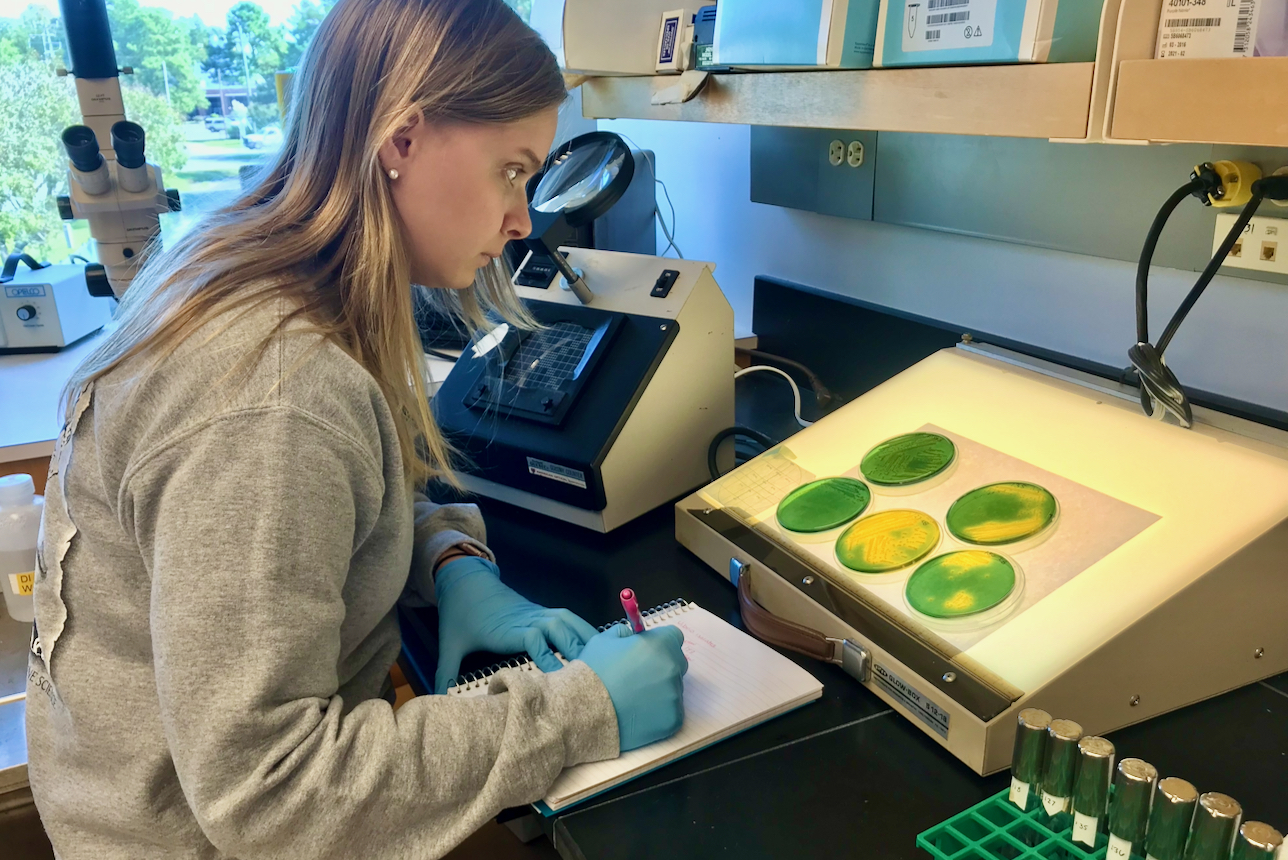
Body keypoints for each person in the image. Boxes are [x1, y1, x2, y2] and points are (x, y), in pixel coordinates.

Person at [25, 0, 689, 856]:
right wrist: (577, 713)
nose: (523, 220)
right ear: (402, 141)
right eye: (512, 171)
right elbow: (272, 792)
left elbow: (316, 501)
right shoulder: (270, 393)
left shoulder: (240, 270)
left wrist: (449, 559)